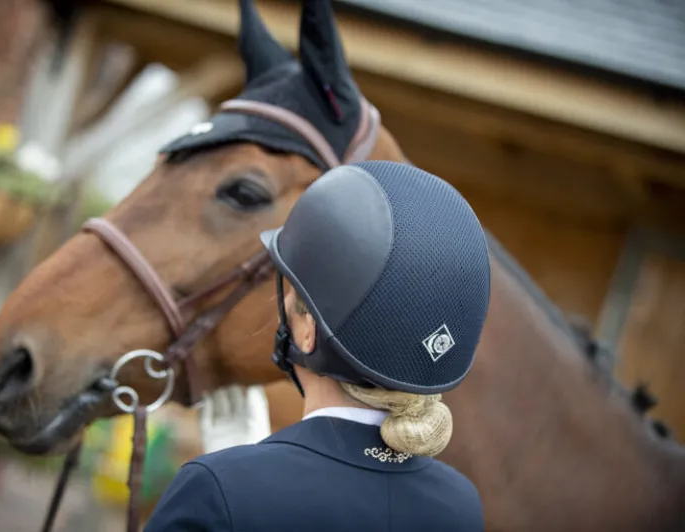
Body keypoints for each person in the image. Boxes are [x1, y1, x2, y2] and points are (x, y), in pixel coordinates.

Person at [144, 160, 491, 531]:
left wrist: (237, 481)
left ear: (309, 330)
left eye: (292, 293)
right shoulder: (460, 505)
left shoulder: (214, 489)